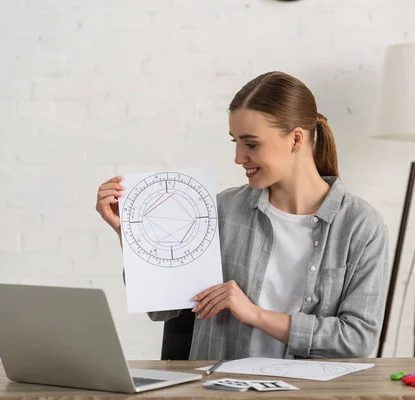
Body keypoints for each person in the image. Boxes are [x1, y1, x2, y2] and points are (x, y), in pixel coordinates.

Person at [96, 71, 389, 360]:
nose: (238, 157)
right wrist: (131, 235)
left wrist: (255, 314)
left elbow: (357, 339)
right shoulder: (220, 211)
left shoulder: (360, 226)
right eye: (234, 142)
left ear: (296, 139)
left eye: (251, 143)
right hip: (219, 388)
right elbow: (162, 309)